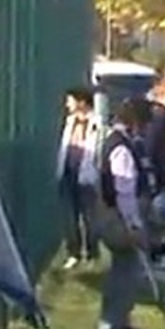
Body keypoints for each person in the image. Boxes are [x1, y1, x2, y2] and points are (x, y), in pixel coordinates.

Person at [94, 97, 154, 329]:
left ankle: (117, 319)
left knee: (122, 269)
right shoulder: (122, 148)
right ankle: (111, 322)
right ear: (137, 121)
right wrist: (133, 225)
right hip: (118, 218)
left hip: (109, 214)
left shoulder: (113, 141)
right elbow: (124, 190)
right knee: (125, 270)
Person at [56, 87, 103, 270]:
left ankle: (92, 253)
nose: (68, 105)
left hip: (86, 175)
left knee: (90, 216)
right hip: (68, 173)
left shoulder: (96, 123)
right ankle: (73, 253)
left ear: (82, 102)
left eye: (71, 101)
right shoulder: (69, 122)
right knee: (69, 216)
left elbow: (97, 149)